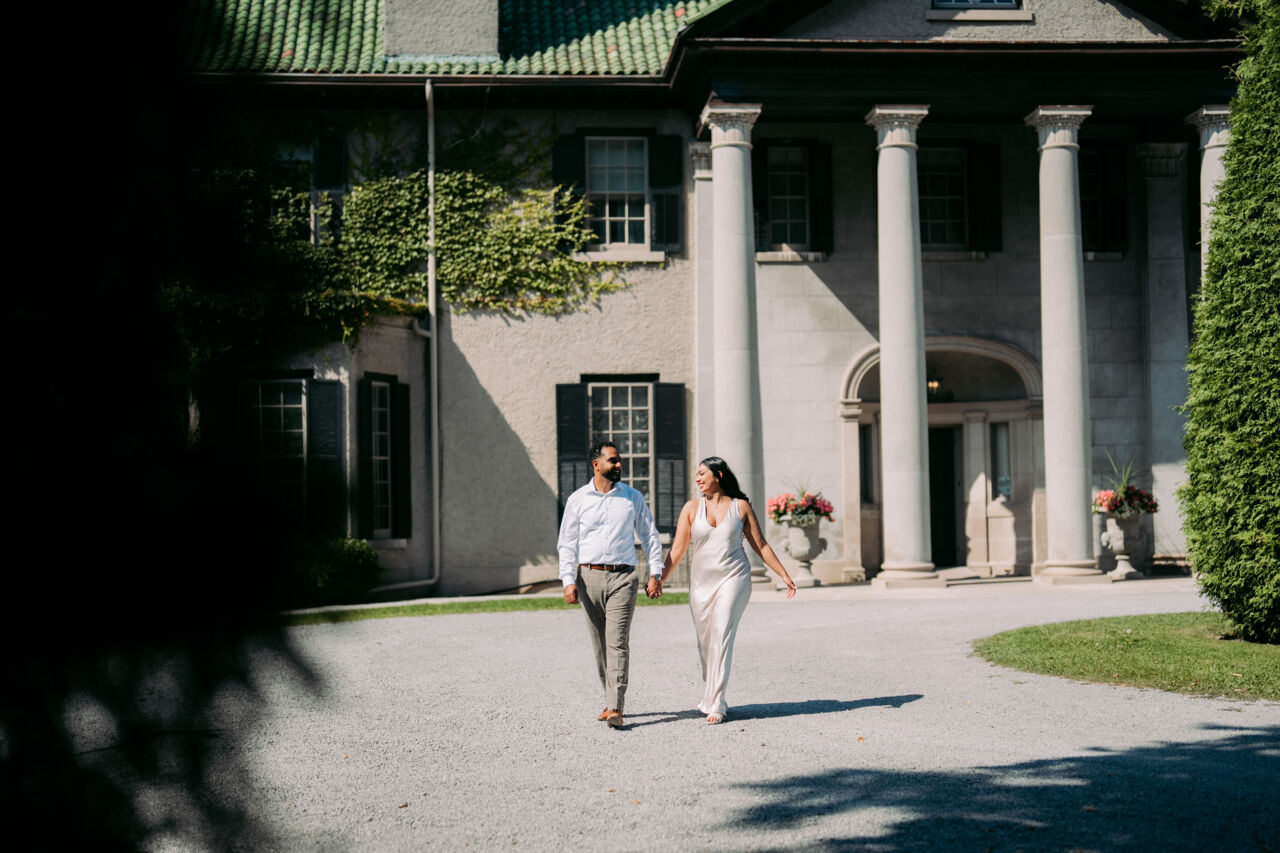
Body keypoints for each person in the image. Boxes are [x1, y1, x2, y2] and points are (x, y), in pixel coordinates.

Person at [661, 456, 797, 724]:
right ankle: (711, 689)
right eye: (697, 474)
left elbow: (761, 545)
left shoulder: (740, 507)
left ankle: (717, 703)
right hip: (701, 585)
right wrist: (659, 579)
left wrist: (784, 575)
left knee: (721, 632)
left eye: (702, 473)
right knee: (706, 643)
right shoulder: (691, 508)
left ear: (719, 475)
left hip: (734, 578)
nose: (698, 478)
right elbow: (677, 550)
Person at [557, 440, 665, 729]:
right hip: (588, 576)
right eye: (613, 460)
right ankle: (609, 701)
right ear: (596, 464)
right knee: (599, 645)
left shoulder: (632, 497)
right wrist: (568, 580)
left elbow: (650, 536)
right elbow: (566, 543)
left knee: (617, 641)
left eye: (619, 460)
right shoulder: (578, 500)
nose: (619, 465)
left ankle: (616, 707)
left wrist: (655, 573)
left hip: (623, 577)